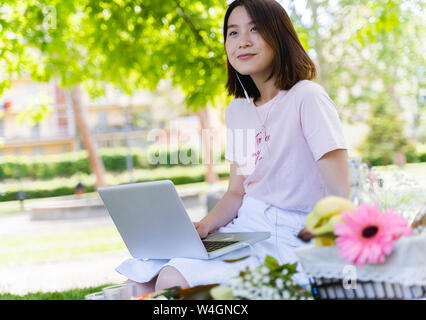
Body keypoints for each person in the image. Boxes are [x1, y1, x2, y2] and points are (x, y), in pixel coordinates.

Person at [116, 0, 349, 296]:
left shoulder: (307, 97)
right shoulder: (238, 109)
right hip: (245, 229)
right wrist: (203, 227)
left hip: (293, 235)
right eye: (233, 33)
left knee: (172, 281)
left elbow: (341, 195)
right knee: (138, 282)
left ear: (280, 36)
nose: (243, 42)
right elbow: (237, 192)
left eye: (255, 29)